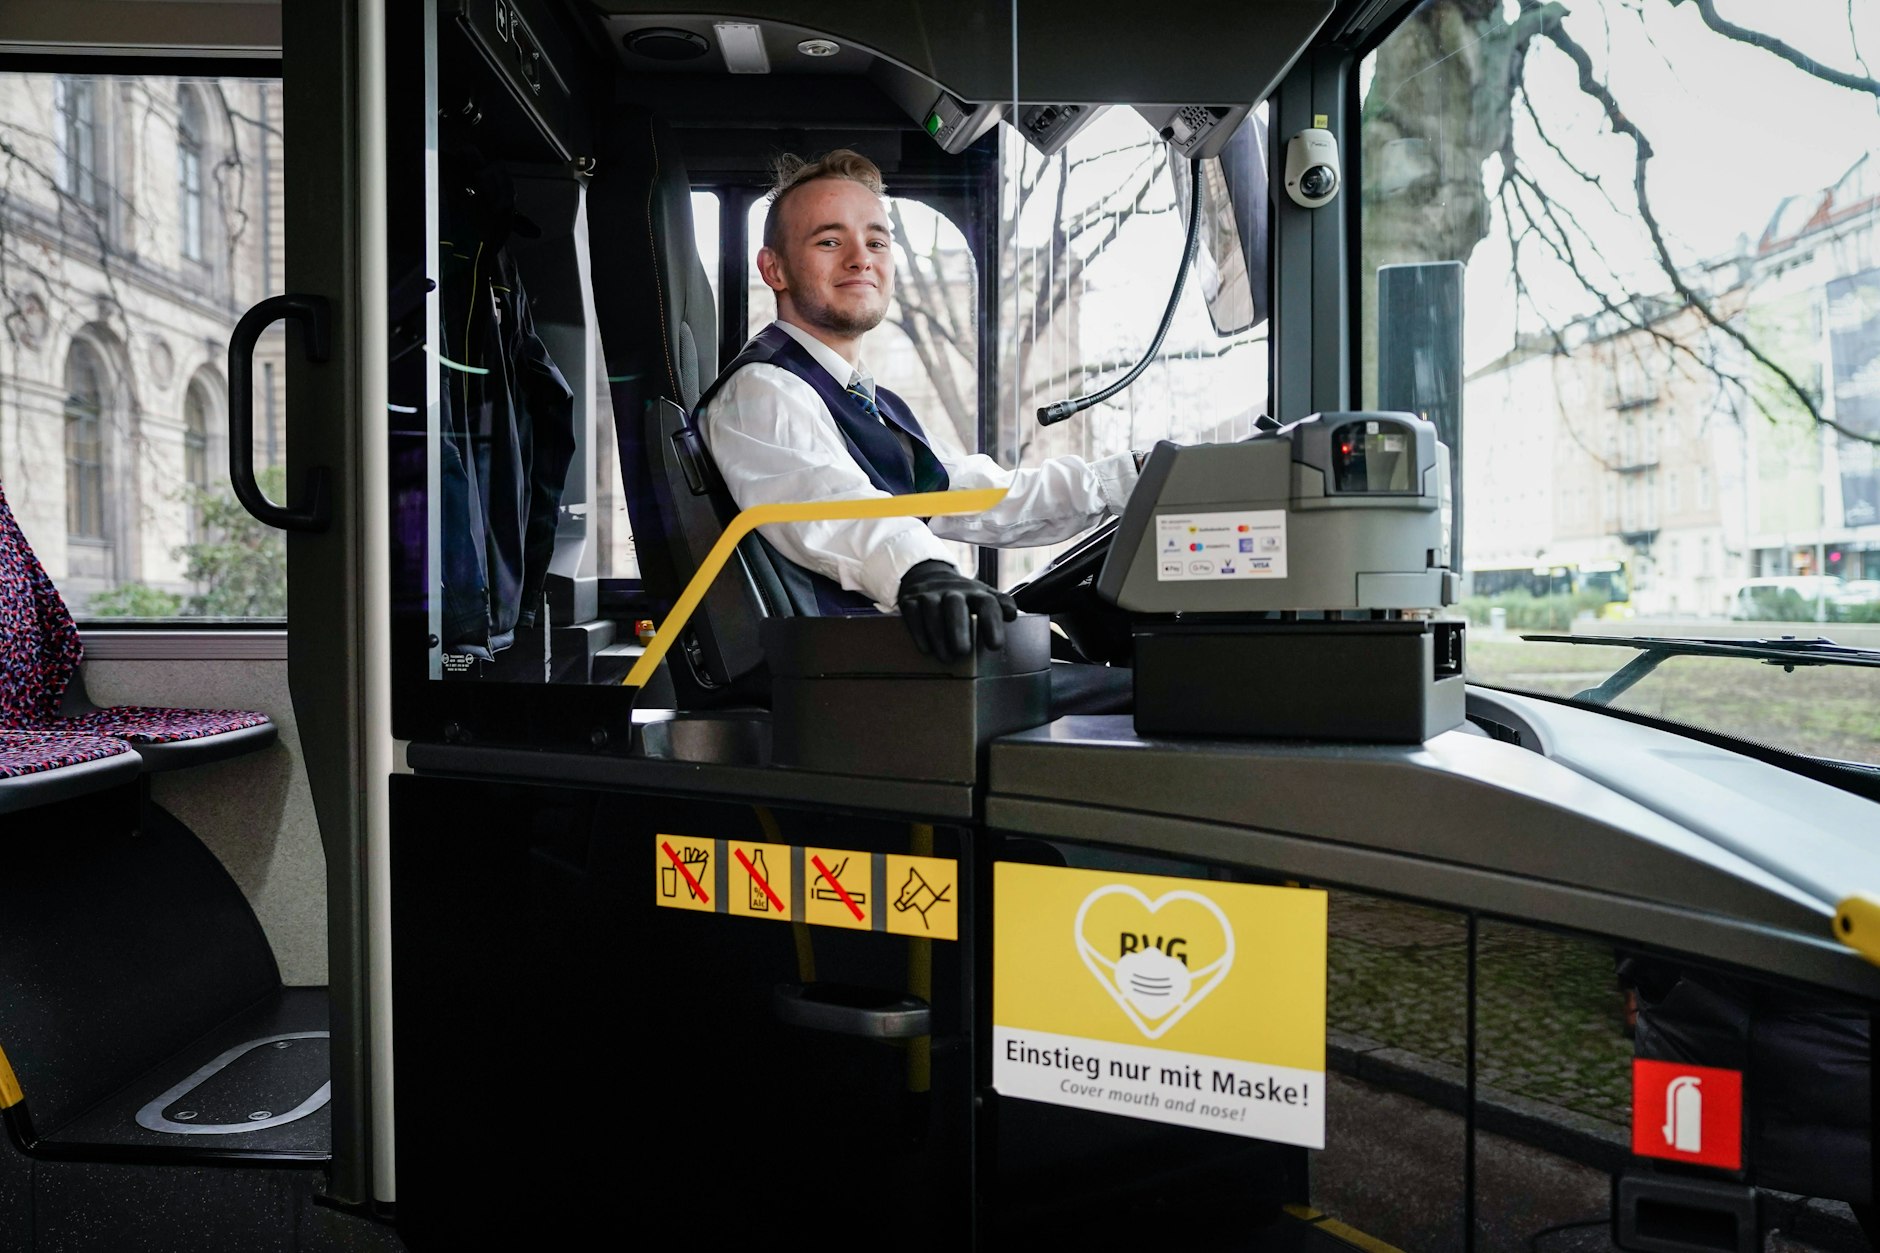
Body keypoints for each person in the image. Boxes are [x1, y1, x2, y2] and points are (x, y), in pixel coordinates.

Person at [696, 149, 1138, 708]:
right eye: (830, 241)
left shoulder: (858, 399)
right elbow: (826, 505)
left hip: (881, 659)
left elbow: (967, 494)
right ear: (773, 269)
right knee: (1169, 695)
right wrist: (921, 572)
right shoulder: (765, 390)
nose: (861, 259)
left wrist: (1122, 482)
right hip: (850, 678)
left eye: (877, 242)